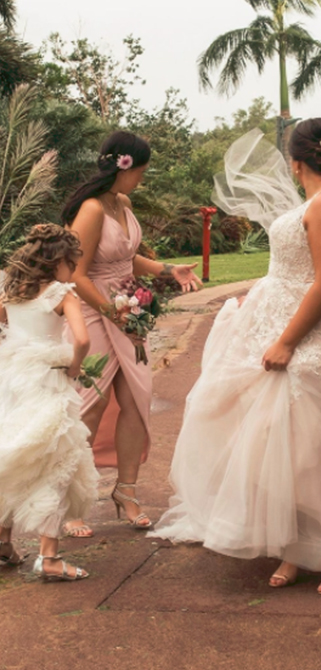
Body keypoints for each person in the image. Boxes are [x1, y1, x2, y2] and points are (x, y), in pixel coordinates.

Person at [151, 119, 321, 595]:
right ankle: (296, 548)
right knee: (280, 448)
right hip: (281, 330)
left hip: (311, 339)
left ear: (297, 161)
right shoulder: (320, 202)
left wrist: (286, 341)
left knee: (320, 450)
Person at [61, 131, 202, 537]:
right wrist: (112, 313)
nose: (142, 177)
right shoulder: (89, 210)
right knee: (90, 405)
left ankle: (126, 491)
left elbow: (125, 256)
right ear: (122, 167)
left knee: (136, 400)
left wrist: (167, 270)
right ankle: (71, 502)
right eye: (140, 170)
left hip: (127, 309)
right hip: (93, 310)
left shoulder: (121, 203)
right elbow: (77, 274)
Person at [0, 224, 99, 581]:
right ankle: (50, 557)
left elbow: (3, 325)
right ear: (58, 262)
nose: (73, 272)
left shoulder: (11, 291)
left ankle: (4, 541)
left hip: (12, 378)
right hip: (48, 380)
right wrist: (74, 366)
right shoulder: (61, 293)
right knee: (54, 457)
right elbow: (83, 340)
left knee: (14, 452)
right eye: (72, 264)